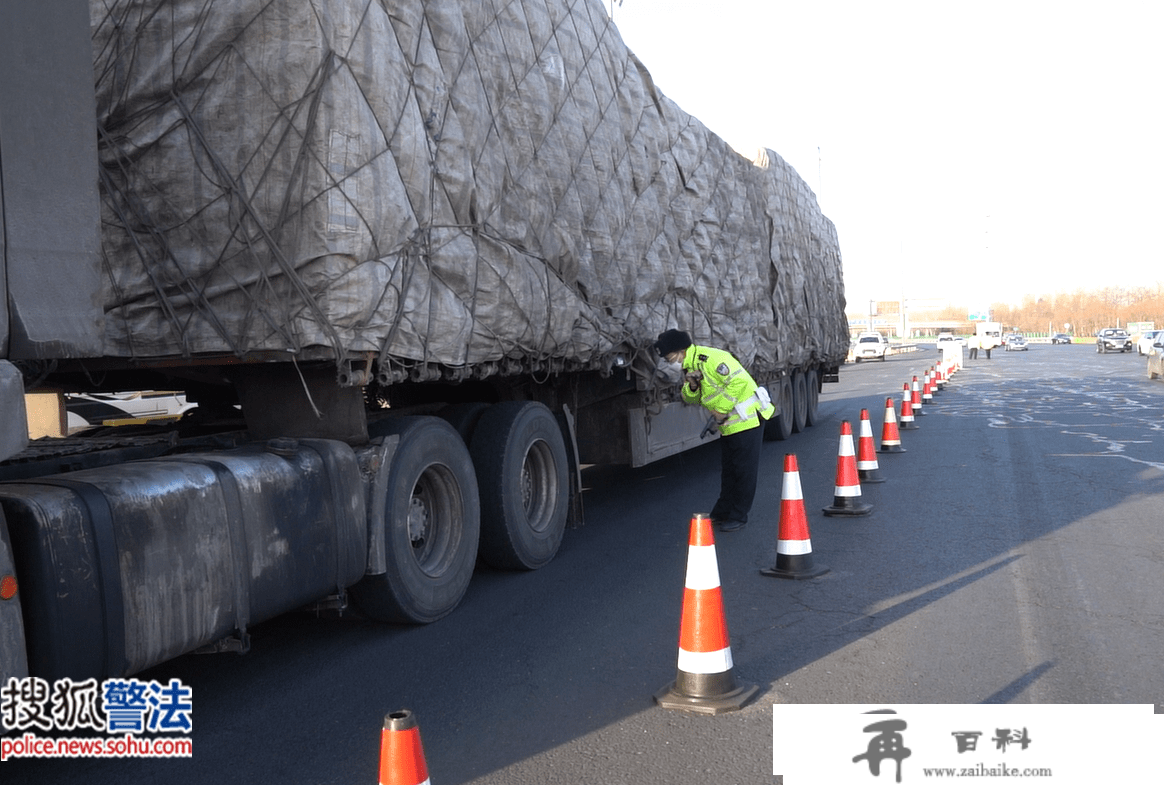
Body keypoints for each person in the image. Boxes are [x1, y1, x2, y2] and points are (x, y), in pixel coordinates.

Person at [654, 329, 775, 532]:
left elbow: (739, 382)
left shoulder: (711, 358)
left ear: (680, 350)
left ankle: (739, 516)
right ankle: (722, 512)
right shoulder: (690, 366)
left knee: (744, 472)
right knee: (729, 471)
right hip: (729, 426)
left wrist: (721, 409)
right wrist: (691, 386)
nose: (670, 362)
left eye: (669, 358)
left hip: (748, 419)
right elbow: (690, 399)